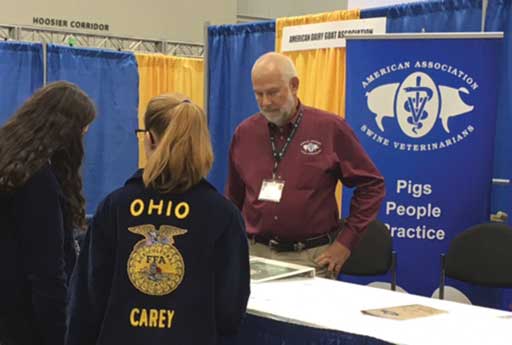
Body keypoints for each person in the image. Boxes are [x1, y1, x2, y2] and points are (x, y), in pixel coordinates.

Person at [66, 93, 250, 345]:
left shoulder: (116, 207)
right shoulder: (224, 215)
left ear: (149, 138)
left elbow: (87, 299)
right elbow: (230, 310)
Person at [226, 52, 386, 277]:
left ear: (294, 85)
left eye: (272, 92)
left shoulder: (330, 128)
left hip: (311, 257)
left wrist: (345, 243)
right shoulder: (245, 133)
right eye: (258, 94)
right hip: (255, 254)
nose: (265, 102)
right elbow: (233, 197)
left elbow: (371, 185)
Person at [0, 81, 96, 345]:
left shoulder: (11, 167)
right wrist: (60, 336)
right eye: (82, 132)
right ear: (65, 132)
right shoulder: (38, 181)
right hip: (25, 327)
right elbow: (47, 274)